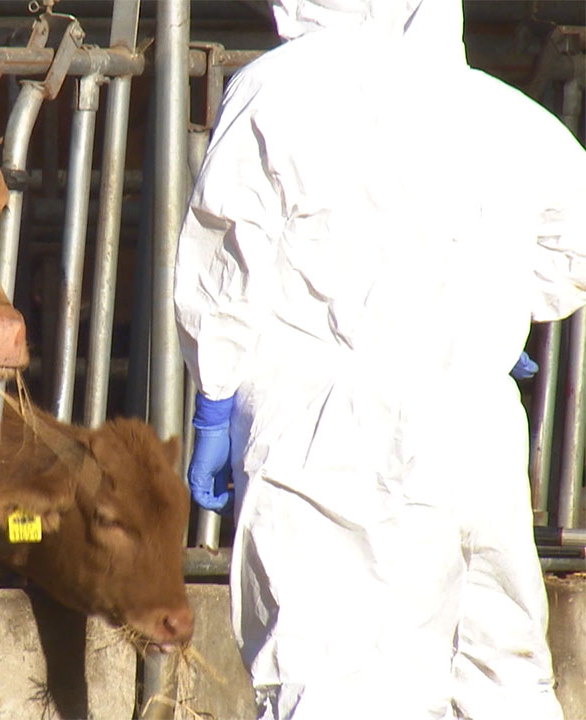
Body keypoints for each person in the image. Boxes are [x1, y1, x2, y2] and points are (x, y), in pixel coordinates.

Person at [173, 0, 586, 717]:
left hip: (328, 431)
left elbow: (227, 258)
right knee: (496, 676)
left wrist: (213, 395)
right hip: (474, 435)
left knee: (331, 676)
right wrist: (491, 319)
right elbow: (571, 242)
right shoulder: (498, 111)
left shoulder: (279, 89)